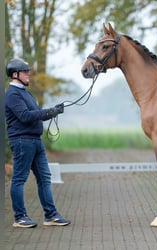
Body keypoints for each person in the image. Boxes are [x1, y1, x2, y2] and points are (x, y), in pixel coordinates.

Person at [5, 58, 71, 228]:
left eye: (28, 71)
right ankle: (19, 217)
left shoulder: (26, 93)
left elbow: (35, 114)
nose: (28, 75)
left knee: (45, 178)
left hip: (35, 141)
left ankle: (51, 216)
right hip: (22, 141)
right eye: (25, 72)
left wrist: (53, 112)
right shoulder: (12, 94)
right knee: (19, 179)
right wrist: (49, 111)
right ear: (15, 74)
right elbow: (26, 116)